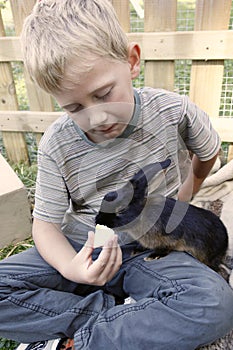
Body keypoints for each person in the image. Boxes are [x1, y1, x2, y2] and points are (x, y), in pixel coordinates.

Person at [0, 0, 233, 349]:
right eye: (75, 107)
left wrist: (188, 191)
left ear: (132, 61)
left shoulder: (174, 111)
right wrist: (72, 268)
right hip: (82, 247)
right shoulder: (56, 144)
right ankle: (122, 317)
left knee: (214, 303)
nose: (97, 118)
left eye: (104, 94)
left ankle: (84, 338)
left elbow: (208, 152)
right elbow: (44, 226)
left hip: (150, 252)